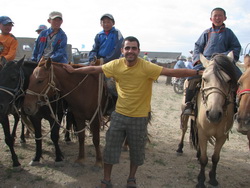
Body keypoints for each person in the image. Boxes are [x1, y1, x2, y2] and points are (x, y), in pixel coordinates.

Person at [63, 36, 202, 188]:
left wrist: (196, 72)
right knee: (110, 149)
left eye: (134, 48)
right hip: (119, 116)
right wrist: (74, 70)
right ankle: (106, 180)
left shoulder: (147, 67)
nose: (130, 51)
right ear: (122, 50)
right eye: (127, 48)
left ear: (138, 51)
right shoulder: (116, 64)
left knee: (136, 152)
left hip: (139, 117)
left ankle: (131, 178)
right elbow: (95, 69)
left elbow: (171, 72)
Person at [183, 7, 242, 115]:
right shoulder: (206, 33)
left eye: (220, 15)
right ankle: (189, 104)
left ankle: (238, 106)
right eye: (215, 16)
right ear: (211, 18)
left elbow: (236, 48)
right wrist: (198, 60)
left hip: (223, 64)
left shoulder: (229, 33)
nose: (218, 18)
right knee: (191, 77)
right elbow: (197, 47)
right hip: (206, 64)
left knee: (240, 79)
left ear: (225, 18)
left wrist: (224, 58)